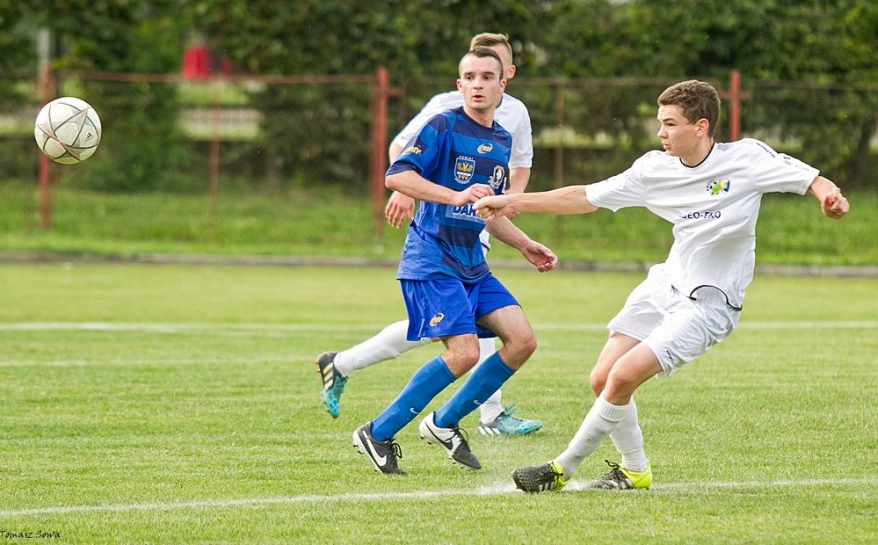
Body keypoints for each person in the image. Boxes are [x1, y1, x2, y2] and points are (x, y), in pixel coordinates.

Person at [474, 79, 850, 492]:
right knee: (602, 379)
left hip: (710, 303)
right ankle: (634, 471)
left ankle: (562, 468)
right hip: (666, 286)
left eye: (670, 124)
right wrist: (514, 202)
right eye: (660, 123)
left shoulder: (745, 159)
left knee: (622, 377)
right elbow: (584, 196)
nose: (661, 133)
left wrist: (829, 199)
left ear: (701, 126)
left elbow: (811, 178)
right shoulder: (654, 168)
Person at [316, 33, 542, 436]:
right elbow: (400, 164)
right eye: (471, 75)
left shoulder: (509, 127)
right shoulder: (443, 115)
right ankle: (396, 424)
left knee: (504, 338)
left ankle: (446, 418)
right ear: (460, 82)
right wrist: (413, 191)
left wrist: (520, 232)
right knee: (459, 343)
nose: (480, 82)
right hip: (436, 247)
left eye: (491, 73)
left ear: (506, 77)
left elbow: (507, 179)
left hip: (473, 247)